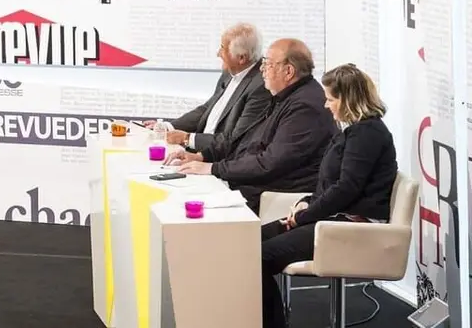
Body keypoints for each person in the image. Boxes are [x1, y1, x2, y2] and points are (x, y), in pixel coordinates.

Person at [260, 64, 397, 328]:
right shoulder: (354, 132)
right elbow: (333, 185)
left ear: (348, 100)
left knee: (259, 257)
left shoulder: (367, 134)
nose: (326, 105)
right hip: (335, 218)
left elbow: (346, 189)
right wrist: (306, 203)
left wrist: (304, 217)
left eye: (331, 99)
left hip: (351, 226)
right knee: (244, 244)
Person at [175, 38, 336, 212]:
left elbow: (270, 163)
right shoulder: (284, 96)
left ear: (288, 71)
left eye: (268, 64)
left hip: (272, 194)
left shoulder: (305, 107)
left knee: (191, 207)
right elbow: (244, 139)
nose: (262, 69)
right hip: (249, 183)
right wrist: (202, 156)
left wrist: (213, 168)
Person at [158, 23, 271, 155]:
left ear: (241, 58)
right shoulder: (229, 72)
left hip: (217, 158)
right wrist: (167, 127)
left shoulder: (261, 86)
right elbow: (208, 109)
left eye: (223, 48)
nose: (218, 53)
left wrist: (187, 138)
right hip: (198, 150)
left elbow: (235, 139)